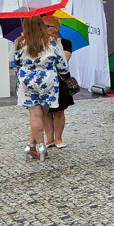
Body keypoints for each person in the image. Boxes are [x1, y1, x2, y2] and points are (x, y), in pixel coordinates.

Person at [13, 15, 69, 160]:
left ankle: (34, 146)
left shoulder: (20, 41)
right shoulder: (53, 41)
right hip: (47, 81)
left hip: (26, 81)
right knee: (42, 114)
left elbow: (15, 61)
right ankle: (38, 146)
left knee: (34, 115)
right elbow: (62, 65)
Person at [43, 15, 73, 148]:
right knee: (45, 111)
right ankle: (49, 138)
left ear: (56, 28)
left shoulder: (65, 43)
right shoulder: (37, 43)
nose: (44, 29)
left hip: (59, 79)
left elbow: (63, 61)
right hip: (43, 80)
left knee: (59, 111)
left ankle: (58, 138)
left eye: (47, 26)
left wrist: (54, 46)